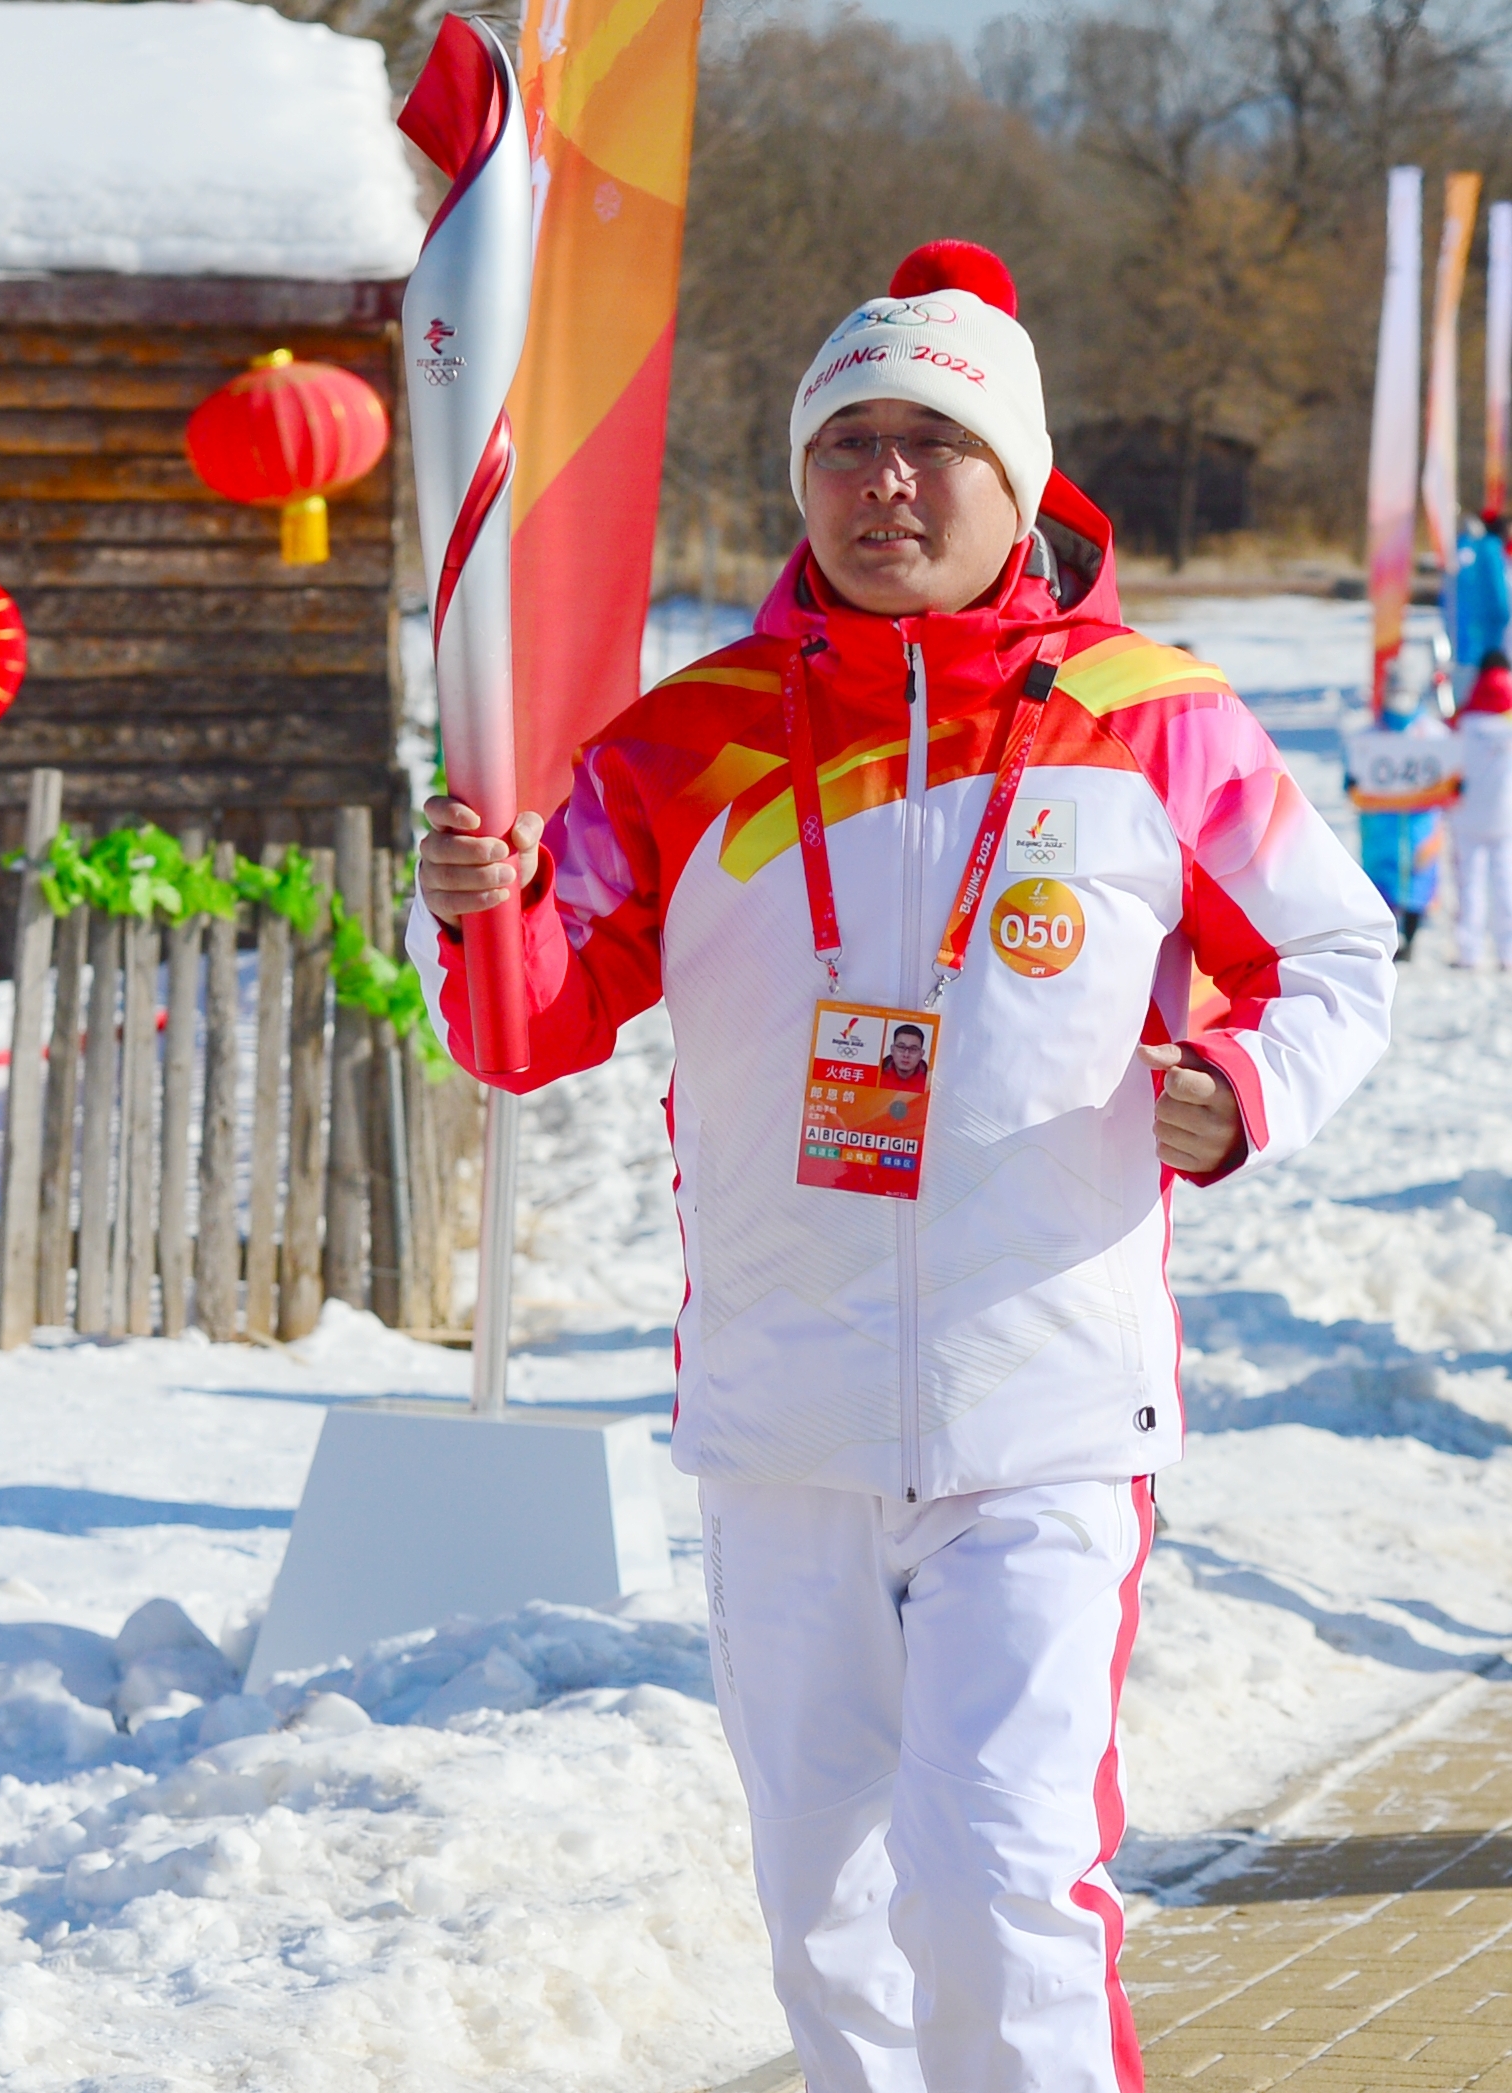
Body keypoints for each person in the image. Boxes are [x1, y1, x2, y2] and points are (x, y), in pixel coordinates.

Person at [409, 241, 1396, 2093]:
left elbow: (1337, 952)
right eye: (845, 444)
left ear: (1018, 479)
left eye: (933, 443)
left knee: (1004, 1881)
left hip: (1045, 1414)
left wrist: (1245, 1079)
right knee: (826, 1909)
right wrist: (479, 906)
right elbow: (523, 1025)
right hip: (782, 1421)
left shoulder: (1153, 715)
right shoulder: (685, 740)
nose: (886, 482)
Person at [1344, 658, 1455, 959]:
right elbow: (1351, 779)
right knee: (1381, 881)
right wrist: (1353, 784)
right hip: (1380, 828)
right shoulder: (1368, 737)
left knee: (1420, 877)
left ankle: (1411, 938)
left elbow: (1452, 775)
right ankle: (1388, 940)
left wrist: (1453, 786)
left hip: (1420, 824)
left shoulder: (1434, 735)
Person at [1449, 646, 1512, 968]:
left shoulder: (1463, 721)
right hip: (1505, 815)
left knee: (1469, 884)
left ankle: (1469, 953)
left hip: (1467, 815)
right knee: (1505, 884)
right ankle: (1508, 953)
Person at [1456, 512, 1510, 701]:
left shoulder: (1463, 548)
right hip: (1492, 642)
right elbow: (1500, 599)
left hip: (1465, 642)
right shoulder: (1491, 551)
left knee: (1467, 695)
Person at [880, 1024, 928, 1090]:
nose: (906, 1055)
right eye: (901, 1047)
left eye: (913, 1049)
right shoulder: (875, 1077)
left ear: (921, 1054)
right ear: (892, 1049)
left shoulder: (931, 1084)